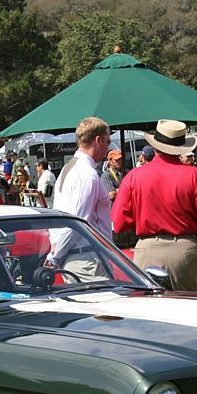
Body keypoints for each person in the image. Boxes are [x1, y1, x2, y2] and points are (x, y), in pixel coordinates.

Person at [111, 119, 197, 292]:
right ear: (181, 147)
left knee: (147, 315)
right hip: (185, 252)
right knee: (193, 312)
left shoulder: (134, 176)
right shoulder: (195, 176)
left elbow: (119, 223)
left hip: (147, 250)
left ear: (155, 146)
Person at [46, 116, 113, 279]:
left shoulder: (68, 169)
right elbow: (78, 222)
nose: (108, 147)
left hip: (78, 256)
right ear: (98, 140)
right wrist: (55, 257)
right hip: (88, 259)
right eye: (108, 142)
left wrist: (55, 248)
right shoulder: (87, 175)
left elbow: (59, 214)